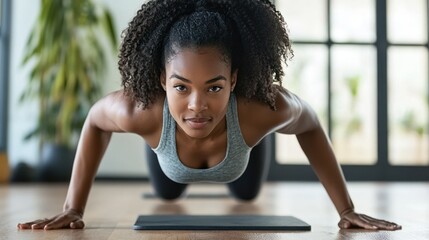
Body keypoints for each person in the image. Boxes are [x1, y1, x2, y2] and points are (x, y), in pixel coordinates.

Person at [18, 0, 401, 231]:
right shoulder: (142, 110)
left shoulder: (262, 108)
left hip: (240, 150)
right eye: (181, 87)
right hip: (168, 159)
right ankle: (165, 159)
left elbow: (311, 123)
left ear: (234, 80)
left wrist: (346, 209)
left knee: (247, 192)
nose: (197, 105)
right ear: (161, 80)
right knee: (168, 190)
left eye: (214, 87)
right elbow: (95, 122)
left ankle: (251, 144)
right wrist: (73, 207)